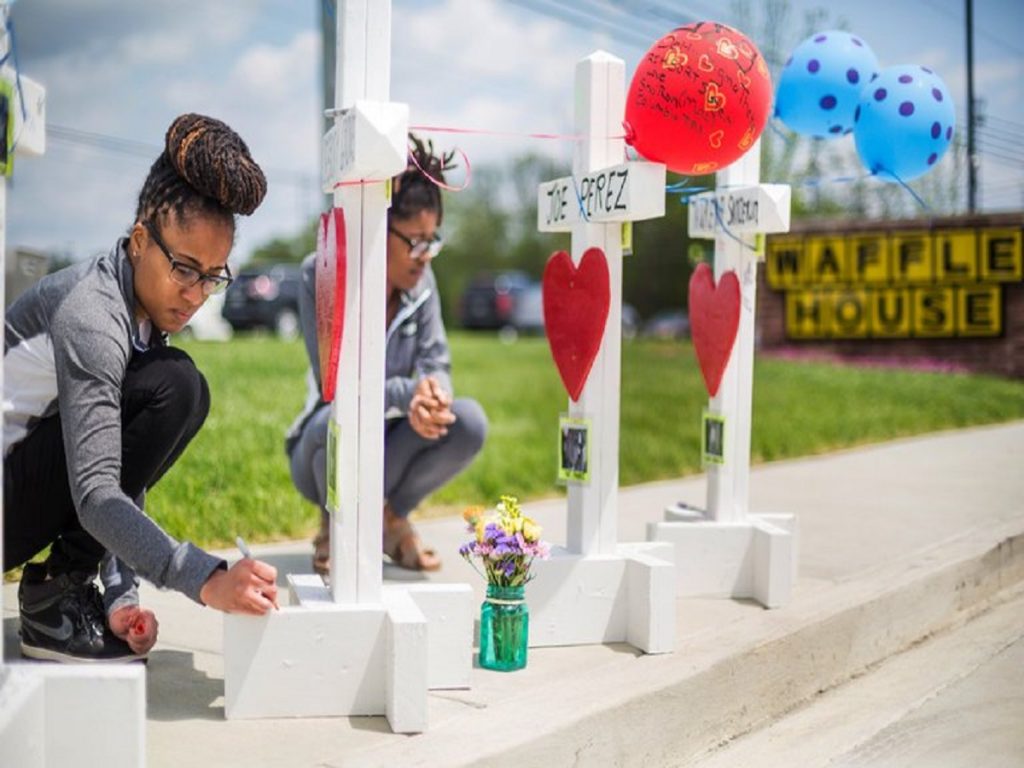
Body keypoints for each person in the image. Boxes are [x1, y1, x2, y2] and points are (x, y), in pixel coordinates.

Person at [3, 113, 280, 663]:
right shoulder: (90, 313)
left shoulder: (145, 319)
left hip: (21, 491)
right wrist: (205, 579)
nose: (198, 293)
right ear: (138, 242)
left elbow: (121, 464)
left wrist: (121, 595)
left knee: (180, 385)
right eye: (184, 268)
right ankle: (54, 599)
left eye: (214, 275)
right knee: (175, 386)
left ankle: (63, 590)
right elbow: (98, 492)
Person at [287, 136, 487, 575]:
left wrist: (434, 395)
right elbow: (332, 385)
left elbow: (437, 362)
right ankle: (333, 523)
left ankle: (389, 520)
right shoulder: (318, 274)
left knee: (468, 421)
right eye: (414, 241)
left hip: (390, 438)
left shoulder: (423, 283)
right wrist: (407, 393)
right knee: (332, 423)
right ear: (380, 228)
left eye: (432, 241)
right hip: (317, 446)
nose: (424, 256)